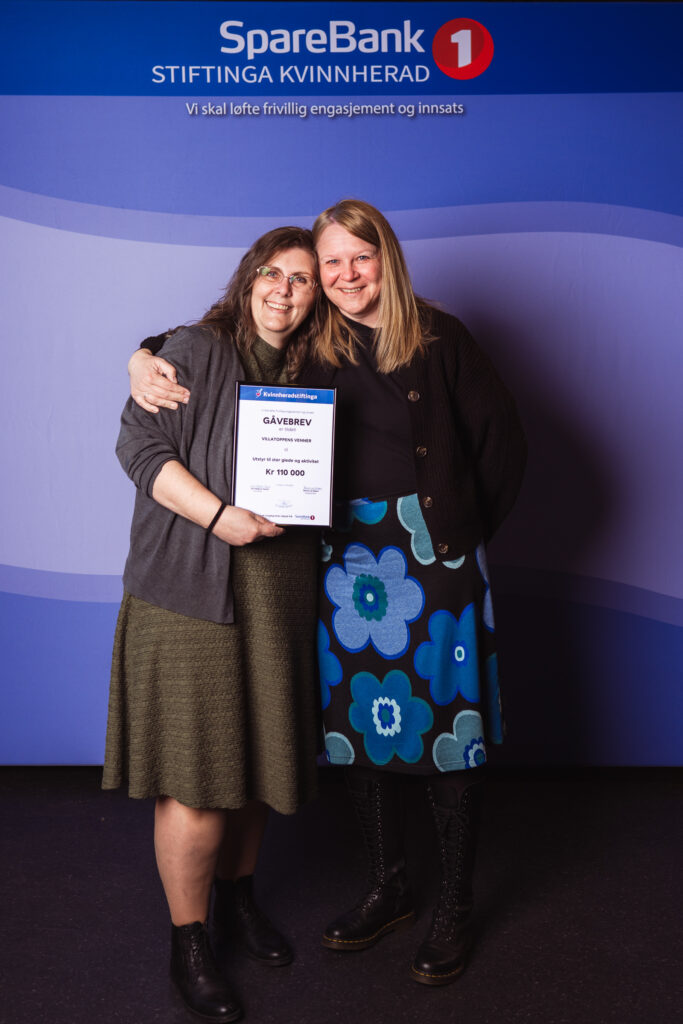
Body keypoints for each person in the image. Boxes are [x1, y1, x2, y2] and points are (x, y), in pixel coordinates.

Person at [129, 200, 527, 988]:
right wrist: (141, 353)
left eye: (358, 258)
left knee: (450, 735)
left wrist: (455, 534)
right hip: (344, 559)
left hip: (433, 553)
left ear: (387, 260)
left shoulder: (441, 337)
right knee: (362, 728)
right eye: (330, 263)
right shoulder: (318, 342)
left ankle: (453, 905)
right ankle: (389, 887)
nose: (344, 276)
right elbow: (221, 335)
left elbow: (502, 446)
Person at [104, 227, 322, 1023]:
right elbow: (138, 448)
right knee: (197, 781)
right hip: (188, 590)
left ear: (316, 297)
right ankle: (189, 940)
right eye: (272, 273)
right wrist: (219, 515)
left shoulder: (315, 369)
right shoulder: (193, 350)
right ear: (248, 278)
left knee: (255, 764)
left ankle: (237, 899)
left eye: (302, 279)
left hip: (277, 592)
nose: (284, 290)